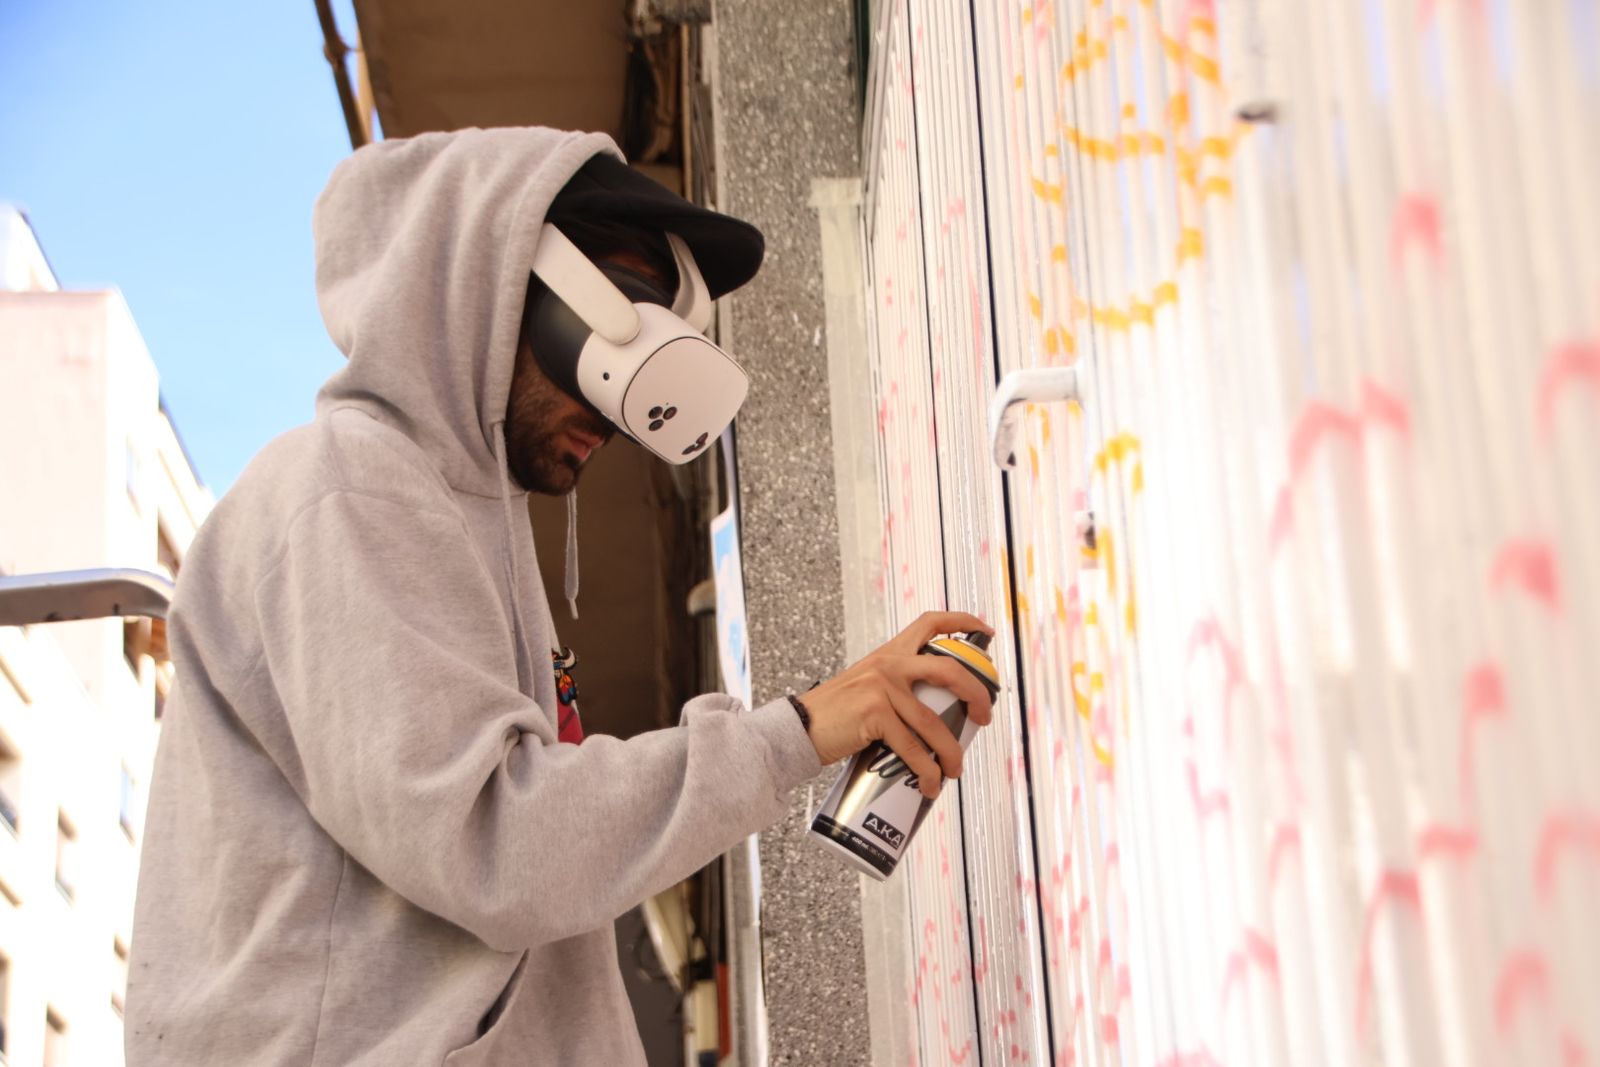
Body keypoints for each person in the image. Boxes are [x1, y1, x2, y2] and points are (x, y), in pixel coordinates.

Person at [125, 126, 994, 1066]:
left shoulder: (444, 518)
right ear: (493, 283)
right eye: (626, 318)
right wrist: (796, 729)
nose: (626, 410)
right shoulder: (344, 488)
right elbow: (493, 839)